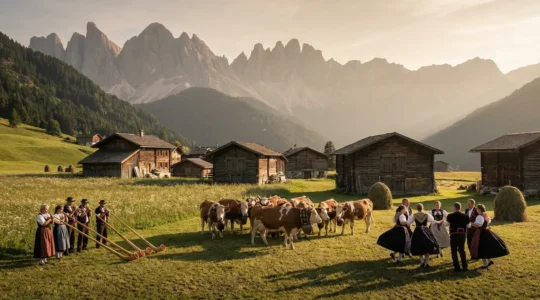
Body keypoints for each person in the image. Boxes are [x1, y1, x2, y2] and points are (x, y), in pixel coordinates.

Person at [470, 204, 509, 269]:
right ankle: (490, 260)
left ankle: (485, 264)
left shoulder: (479, 216)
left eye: (477, 209)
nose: (476, 210)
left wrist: (470, 223)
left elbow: (478, 225)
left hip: (481, 233)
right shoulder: (485, 215)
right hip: (486, 231)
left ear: (479, 209)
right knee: (486, 247)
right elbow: (488, 221)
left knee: (481, 248)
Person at [409, 203, 439, 268]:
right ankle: (427, 262)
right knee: (427, 246)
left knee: (419, 246)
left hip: (418, 231)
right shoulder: (427, 215)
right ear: (422, 208)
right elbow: (432, 220)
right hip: (425, 230)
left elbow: (409, 222)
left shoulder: (414, 215)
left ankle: (422, 262)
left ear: (417, 208)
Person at [445, 202, 470, 272]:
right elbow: (469, 226)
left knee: (454, 251)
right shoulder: (465, 216)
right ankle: (465, 266)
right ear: (460, 207)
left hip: (454, 235)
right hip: (462, 235)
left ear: (454, 208)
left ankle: (457, 267)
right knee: (462, 250)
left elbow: (446, 224)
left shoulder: (450, 216)